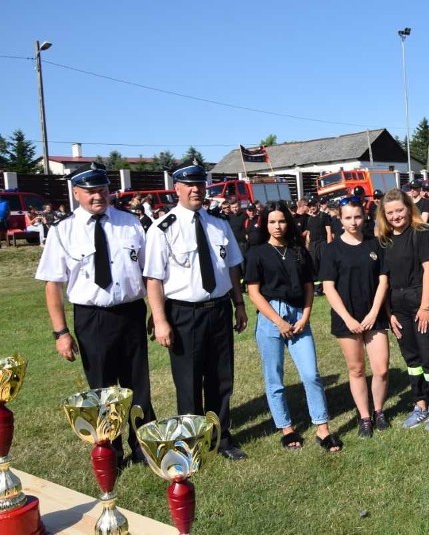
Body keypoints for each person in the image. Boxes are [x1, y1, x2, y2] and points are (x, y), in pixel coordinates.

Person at [35, 162, 156, 465]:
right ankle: (111, 451)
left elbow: (148, 274)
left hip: (130, 313)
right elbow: (53, 284)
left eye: (102, 189)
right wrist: (61, 332)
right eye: (89, 191)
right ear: (76, 193)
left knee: (138, 385)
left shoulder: (130, 223)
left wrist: (156, 312)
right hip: (92, 317)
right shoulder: (64, 230)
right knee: (102, 390)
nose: (97, 196)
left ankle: (143, 447)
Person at [144, 159, 249, 461]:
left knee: (221, 377)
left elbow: (231, 268)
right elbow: (153, 278)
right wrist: (161, 320)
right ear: (175, 188)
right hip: (183, 314)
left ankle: (221, 437)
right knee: (188, 381)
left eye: (200, 184)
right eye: (189, 184)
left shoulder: (219, 224)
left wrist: (239, 305)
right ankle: (190, 441)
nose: (196, 189)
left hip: (218, 310)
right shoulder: (162, 228)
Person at [245, 202, 343, 453]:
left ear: (289, 222)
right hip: (270, 317)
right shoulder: (257, 252)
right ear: (264, 224)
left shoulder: (299, 250)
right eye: (272, 221)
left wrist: (305, 316)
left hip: (299, 314)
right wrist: (278, 321)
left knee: (311, 374)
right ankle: (286, 428)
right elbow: (253, 292)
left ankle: (322, 428)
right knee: (274, 377)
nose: (277, 226)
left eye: (282, 221)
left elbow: (310, 285)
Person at [378, 189, 429, 432]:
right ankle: (421, 403)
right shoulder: (385, 240)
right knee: (412, 358)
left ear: (409, 208)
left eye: (399, 210)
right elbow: (386, 279)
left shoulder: (422, 233)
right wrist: (389, 312)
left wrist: (425, 306)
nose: (395, 216)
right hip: (398, 305)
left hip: (422, 300)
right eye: (390, 213)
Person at [319, 196, 391, 438]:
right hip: (346, 318)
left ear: (365, 216)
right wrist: (348, 318)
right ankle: (365, 417)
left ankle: (379, 410)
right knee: (357, 369)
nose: (353, 222)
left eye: (357, 216)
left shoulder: (375, 244)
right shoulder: (331, 249)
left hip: (374, 316)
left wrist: (373, 312)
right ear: (340, 219)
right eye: (348, 217)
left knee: (381, 369)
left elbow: (383, 280)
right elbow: (328, 287)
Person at [304, 197, 331, 296]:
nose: (312, 207)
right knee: (314, 266)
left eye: (313, 205)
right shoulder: (309, 219)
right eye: (310, 206)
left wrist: (329, 246)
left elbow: (328, 231)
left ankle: (327, 288)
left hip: (323, 243)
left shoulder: (324, 216)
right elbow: (308, 233)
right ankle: (318, 289)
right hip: (313, 245)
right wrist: (307, 245)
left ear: (318, 205)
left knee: (324, 265)